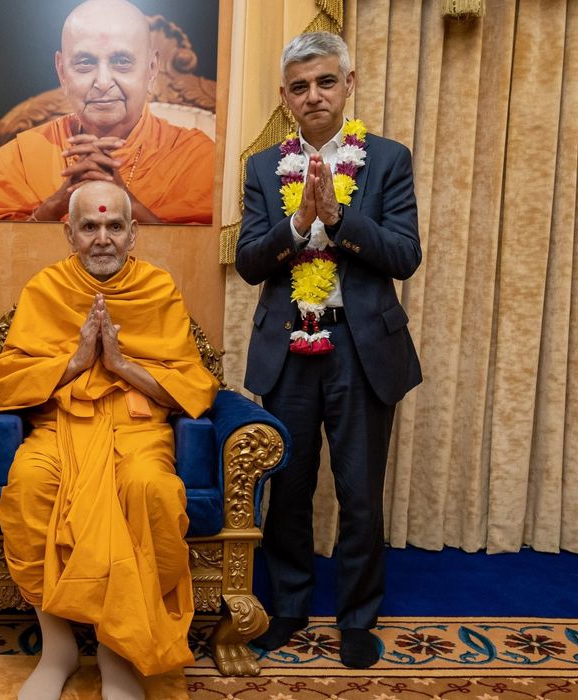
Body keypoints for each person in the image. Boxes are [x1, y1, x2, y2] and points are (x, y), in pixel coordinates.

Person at [0, 180, 218, 699]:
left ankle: (117, 650)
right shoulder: (46, 289)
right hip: (60, 426)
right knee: (30, 485)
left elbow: (193, 385)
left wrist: (120, 364)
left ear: (133, 233)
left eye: (114, 226)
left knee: (150, 490)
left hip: (137, 427)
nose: (103, 237)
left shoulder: (158, 289)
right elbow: (2, 380)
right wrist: (78, 361)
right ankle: (57, 651)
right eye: (90, 226)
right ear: (69, 233)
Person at [234, 32, 422, 669]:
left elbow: (405, 256)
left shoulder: (388, 160)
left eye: (325, 82)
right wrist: (296, 224)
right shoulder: (262, 168)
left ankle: (358, 618)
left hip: (361, 348)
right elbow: (249, 264)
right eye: (298, 85)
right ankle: (287, 608)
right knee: (286, 487)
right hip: (288, 348)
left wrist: (339, 218)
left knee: (360, 492)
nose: (313, 95)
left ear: (349, 85)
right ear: (284, 98)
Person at [0, 0, 214, 224]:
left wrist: (127, 204)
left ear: (152, 69)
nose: (103, 82)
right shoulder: (23, 158)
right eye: (85, 62)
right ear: (62, 72)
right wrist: (54, 206)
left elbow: (199, 258)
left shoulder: (194, 158)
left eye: (121, 61)